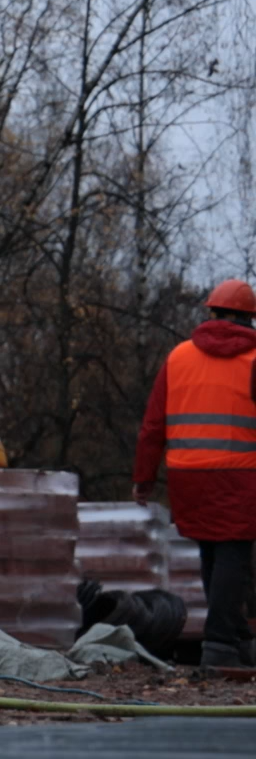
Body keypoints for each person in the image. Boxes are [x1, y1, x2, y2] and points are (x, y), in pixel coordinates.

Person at [135, 278, 256, 669]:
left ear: (211, 313)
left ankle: (239, 638)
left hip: (187, 474)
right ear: (249, 318)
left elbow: (153, 426)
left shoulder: (179, 357)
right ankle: (220, 642)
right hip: (240, 473)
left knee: (211, 549)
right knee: (234, 553)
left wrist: (144, 479)